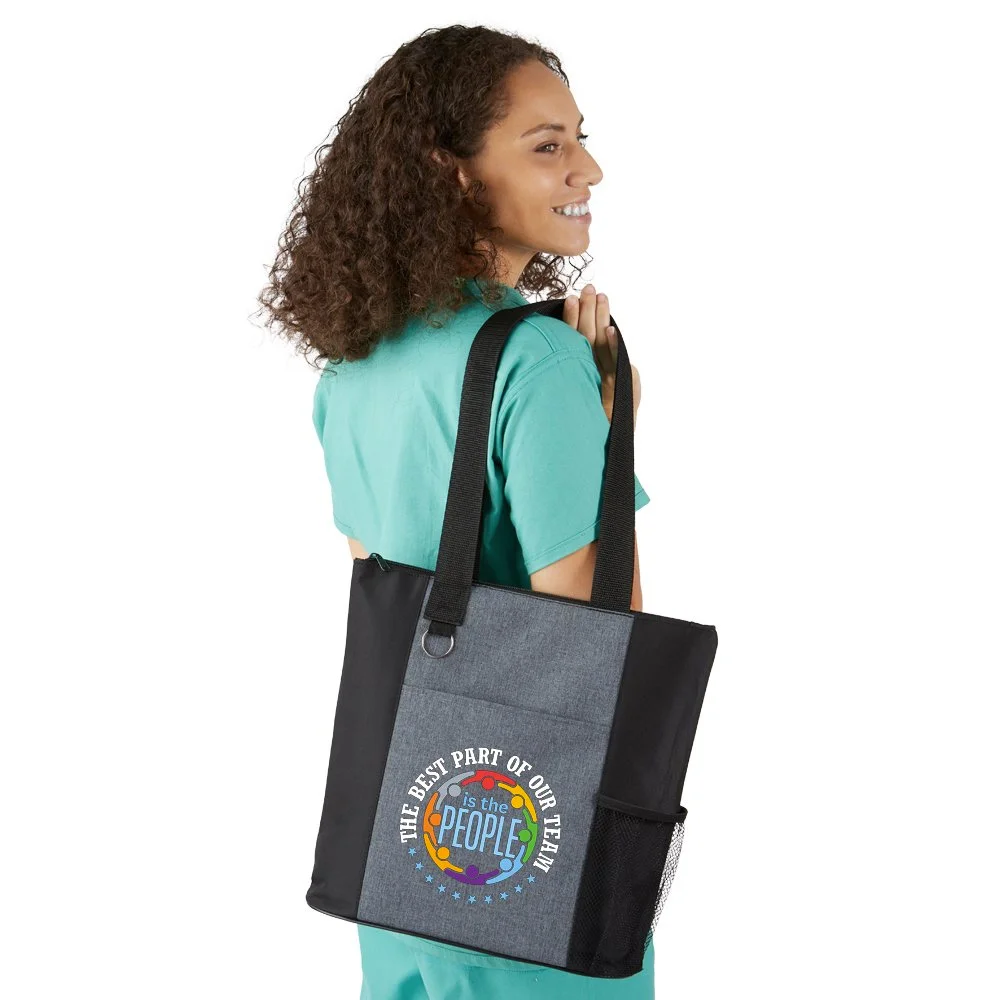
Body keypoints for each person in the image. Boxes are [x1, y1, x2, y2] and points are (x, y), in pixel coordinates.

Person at [259, 23, 654, 1000]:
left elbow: (390, 592)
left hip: (404, 841)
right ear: (455, 172)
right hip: (529, 852)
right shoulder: (542, 361)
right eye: (547, 145)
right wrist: (612, 435)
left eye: (580, 138)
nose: (588, 169)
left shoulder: (350, 370)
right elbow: (596, 641)